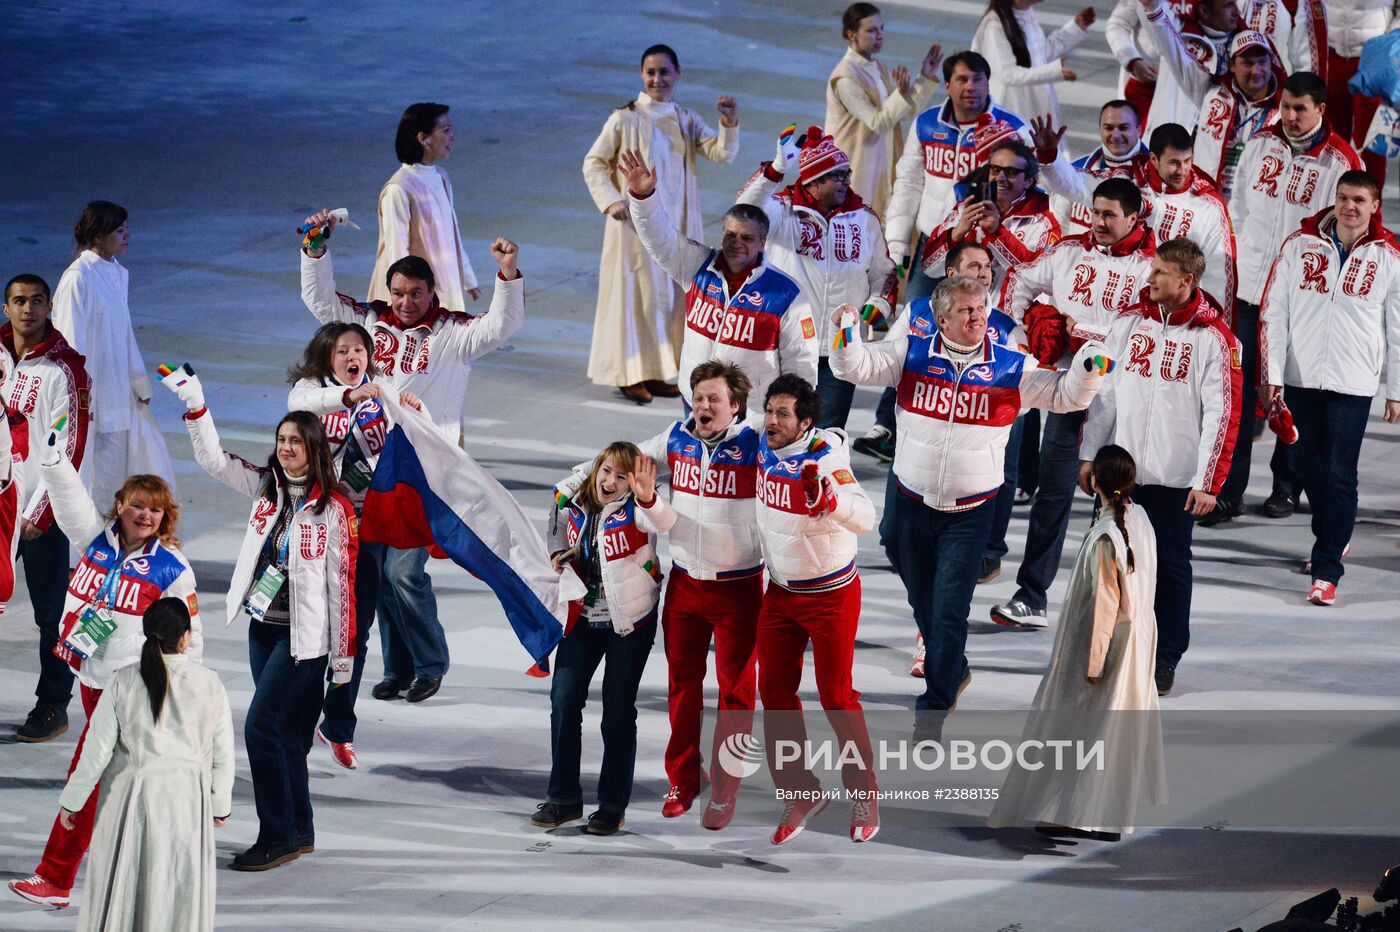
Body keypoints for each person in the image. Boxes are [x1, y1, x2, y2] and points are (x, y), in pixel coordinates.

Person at [830, 279, 1105, 723]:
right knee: (925, 602)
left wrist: (1091, 366)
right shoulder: (910, 353)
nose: (979, 317)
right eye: (966, 311)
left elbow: (1065, 395)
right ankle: (952, 668)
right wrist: (844, 327)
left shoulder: (1011, 367)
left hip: (971, 512)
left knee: (950, 609)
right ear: (941, 321)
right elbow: (852, 367)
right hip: (912, 502)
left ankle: (934, 707)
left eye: (981, 307)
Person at [302, 211, 525, 703]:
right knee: (379, 574)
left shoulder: (452, 334)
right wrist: (315, 251)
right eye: (398, 292)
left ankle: (430, 664)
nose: (405, 302)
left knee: (405, 571)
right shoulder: (366, 323)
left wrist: (506, 276)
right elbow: (320, 300)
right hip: (369, 470)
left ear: (433, 294)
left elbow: (501, 326)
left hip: (424, 471)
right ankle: (398, 669)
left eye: (416, 294)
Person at [169, 372, 357, 872]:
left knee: (260, 727)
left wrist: (343, 665)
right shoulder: (266, 488)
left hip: (304, 642)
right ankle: (299, 829)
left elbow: (343, 589)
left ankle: (275, 835)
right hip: (262, 626)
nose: (287, 448)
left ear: (315, 449)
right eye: (282, 440)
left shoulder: (333, 510)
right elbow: (213, 460)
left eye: (297, 441)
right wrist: (196, 404)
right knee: (291, 733)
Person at [9, 427, 199, 911]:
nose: (144, 514)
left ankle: (56, 879)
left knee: (87, 778)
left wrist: (178, 697)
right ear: (120, 506)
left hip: (132, 689)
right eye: (137, 504)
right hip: (91, 680)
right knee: (120, 785)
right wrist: (52, 461)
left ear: (164, 518)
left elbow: (188, 639)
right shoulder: (96, 540)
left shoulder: (172, 569)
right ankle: (152, 879)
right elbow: (68, 499)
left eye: (154, 510)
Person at [1079, 238, 1242, 697]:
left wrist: (1207, 481)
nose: (1148, 280)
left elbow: (1222, 414)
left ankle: (1165, 655)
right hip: (1121, 474)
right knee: (1109, 565)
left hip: (1175, 478)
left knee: (1169, 569)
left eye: (1158, 273)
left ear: (1186, 281)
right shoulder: (1128, 324)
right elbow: (1103, 392)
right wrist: (1091, 454)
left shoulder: (1215, 341)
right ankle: (1106, 650)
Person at [990, 178, 1156, 629]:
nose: (1099, 222)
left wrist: (1078, 334)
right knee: (1054, 492)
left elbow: (1145, 331)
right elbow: (1020, 280)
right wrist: (1024, 332)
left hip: (1123, 403)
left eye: (1110, 215)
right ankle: (1033, 596)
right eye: (1095, 212)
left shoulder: (1149, 269)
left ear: (1134, 218)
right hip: (1068, 395)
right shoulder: (1068, 251)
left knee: (1118, 503)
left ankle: (1113, 603)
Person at [988, 444, 1165, 841]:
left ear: (1094, 482)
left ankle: (1065, 812)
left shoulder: (1106, 536)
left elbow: (1103, 607)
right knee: (1112, 734)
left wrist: (1093, 663)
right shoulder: (1140, 519)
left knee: (1075, 728)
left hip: (1104, 648)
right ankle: (1105, 820)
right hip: (1137, 644)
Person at [1219, 72, 1362, 523]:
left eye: (1302, 108)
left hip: (1300, 299)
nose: (1292, 117)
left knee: (1290, 395)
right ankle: (1228, 491)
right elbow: (1238, 207)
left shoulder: (1339, 160)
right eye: (1286, 107)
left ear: (1321, 110)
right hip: (1248, 291)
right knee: (1238, 393)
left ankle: (1286, 485)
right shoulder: (1260, 142)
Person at [287, 323, 424, 770]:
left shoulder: (382, 392)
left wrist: (414, 413)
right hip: (315, 531)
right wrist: (349, 398)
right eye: (343, 350)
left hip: (365, 531)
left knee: (354, 632)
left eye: (360, 350)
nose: (353, 357)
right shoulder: (310, 391)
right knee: (310, 631)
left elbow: (413, 445)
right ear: (327, 357)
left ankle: (339, 724)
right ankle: (299, 719)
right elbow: (302, 405)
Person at [1260, 171, 1400, 606]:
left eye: (1359, 199)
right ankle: (1334, 536)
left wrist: (1396, 389)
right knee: (1303, 467)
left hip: (1353, 383)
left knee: (1339, 473)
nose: (1349, 207)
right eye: (1343, 198)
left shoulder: (1390, 257)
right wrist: (1272, 376)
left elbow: (1397, 328)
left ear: (1375, 205)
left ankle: (1326, 570)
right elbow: (1273, 313)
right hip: (1300, 378)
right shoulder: (1298, 246)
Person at [52, 598, 233, 931]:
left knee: (127, 887)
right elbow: (223, 755)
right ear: (185, 638)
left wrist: (72, 802)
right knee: (176, 892)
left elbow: (96, 750)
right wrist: (220, 805)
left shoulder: (122, 681)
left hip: (128, 803)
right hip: (186, 804)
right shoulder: (211, 683)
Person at [752, 374, 879, 845]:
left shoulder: (826, 458)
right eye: (769, 411)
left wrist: (831, 503)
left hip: (831, 597)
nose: (771, 421)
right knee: (776, 698)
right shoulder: (762, 442)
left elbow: (866, 516)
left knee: (837, 698)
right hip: (780, 594)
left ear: (805, 423)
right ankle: (800, 791)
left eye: (783, 414)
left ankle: (864, 794)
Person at [583, 45, 740, 404]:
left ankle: (655, 370)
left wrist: (728, 124)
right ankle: (629, 373)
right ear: (642, 75)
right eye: (651, 72)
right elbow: (594, 163)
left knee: (667, 298)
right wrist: (611, 200)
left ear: (678, 73)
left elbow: (721, 153)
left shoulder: (685, 118)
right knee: (634, 296)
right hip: (633, 227)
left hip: (677, 223)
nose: (658, 79)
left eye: (664, 72)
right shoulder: (624, 118)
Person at [532, 442, 663, 837]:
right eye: (606, 471)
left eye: (621, 476)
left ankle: (611, 806)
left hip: (630, 624)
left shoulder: (640, 509)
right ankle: (564, 798)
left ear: (633, 482)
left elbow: (663, 521)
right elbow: (554, 519)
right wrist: (558, 552)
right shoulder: (575, 500)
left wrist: (648, 496)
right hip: (583, 620)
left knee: (617, 713)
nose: (611, 481)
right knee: (563, 702)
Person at [621, 148, 818, 408]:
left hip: (748, 416)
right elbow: (661, 239)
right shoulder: (697, 266)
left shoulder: (787, 294)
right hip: (696, 404)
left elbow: (801, 361)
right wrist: (644, 198)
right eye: (730, 235)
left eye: (747, 238)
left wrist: (790, 413)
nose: (736, 243)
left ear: (762, 242)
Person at [736, 126, 897, 429]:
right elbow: (744, 210)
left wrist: (880, 304)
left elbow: (884, 273)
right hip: (785, 343)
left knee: (827, 433)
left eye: (847, 174)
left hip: (841, 346)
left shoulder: (864, 218)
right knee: (774, 428)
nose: (846, 181)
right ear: (813, 181)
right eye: (837, 175)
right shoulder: (781, 211)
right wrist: (777, 167)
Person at [3, 273, 92, 744]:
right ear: (6, 308)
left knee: (52, 614)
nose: (28, 310)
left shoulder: (65, 370)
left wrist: (40, 514)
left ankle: (53, 703)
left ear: (50, 305)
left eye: (37, 301)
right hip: (0, 507)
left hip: (39, 511)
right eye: (19, 301)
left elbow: (70, 446)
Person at [1033, 119, 1237, 315]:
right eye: (1174, 163)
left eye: (1187, 161)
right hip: (1113, 299)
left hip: (1167, 312)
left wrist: (1211, 325)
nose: (1182, 170)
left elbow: (1219, 276)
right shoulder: (1126, 181)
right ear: (1154, 159)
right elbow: (1075, 185)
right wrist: (1050, 156)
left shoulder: (1208, 206)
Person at [50, 201, 174, 509]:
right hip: (90, 395)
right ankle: (85, 552)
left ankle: (110, 542)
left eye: (126, 228)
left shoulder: (117, 273)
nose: (127, 235)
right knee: (91, 475)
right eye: (120, 230)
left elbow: (124, 333)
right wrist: (77, 395)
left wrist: (137, 382)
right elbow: (68, 340)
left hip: (117, 391)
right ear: (100, 235)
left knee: (117, 473)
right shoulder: (79, 277)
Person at [886, 51, 1033, 301]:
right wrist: (897, 239)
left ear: (988, 83)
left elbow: (1032, 186)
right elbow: (908, 183)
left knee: (978, 321)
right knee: (916, 316)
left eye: (978, 79)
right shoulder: (926, 123)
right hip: (934, 238)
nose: (971, 87)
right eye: (962, 79)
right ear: (947, 85)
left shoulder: (1012, 128)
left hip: (985, 246)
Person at [1137, 4, 1284, 199]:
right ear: (1232, 65)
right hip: (1205, 204)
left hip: (1252, 211)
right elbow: (1173, 50)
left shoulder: (1285, 110)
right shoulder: (1211, 92)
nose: (1256, 71)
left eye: (1262, 62)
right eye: (1247, 63)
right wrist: (1152, 8)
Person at [825, 3, 943, 219]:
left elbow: (901, 114)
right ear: (851, 34)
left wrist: (923, 78)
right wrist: (900, 94)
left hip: (883, 162)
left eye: (881, 29)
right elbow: (879, 123)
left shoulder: (877, 66)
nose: (879, 36)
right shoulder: (845, 78)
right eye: (871, 30)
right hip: (857, 167)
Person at [370, 103, 480, 314]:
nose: (453, 137)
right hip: (415, 297)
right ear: (423, 138)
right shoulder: (399, 189)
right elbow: (397, 252)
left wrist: (467, 278)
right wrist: (403, 302)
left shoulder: (441, 177)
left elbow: (452, 235)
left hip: (443, 281)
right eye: (446, 130)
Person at [920, 138, 1062, 288]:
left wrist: (997, 233)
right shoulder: (966, 209)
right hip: (966, 307)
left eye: (1011, 172)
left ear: (1028, 180)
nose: (1000, 178)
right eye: (994, 169)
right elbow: (929, 269)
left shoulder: (1045, 220)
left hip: (1013, 311)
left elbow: (1039, 279)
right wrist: (956, 234)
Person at [972, 0, 1096, 130]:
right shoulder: (994, 25)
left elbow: (1038, 55)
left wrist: (1075, 28)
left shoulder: (1025, 14)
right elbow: (1008, 74)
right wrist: (1054, 72)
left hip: (1032, 106)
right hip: (1011, 112)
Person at [1038, 99, 1151, 237]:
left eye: (1123, 127)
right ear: (1100, 129)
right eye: (1108, 128)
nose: (1115, 135)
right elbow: (1060, 227)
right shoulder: (1075, 170)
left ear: (1139, 130)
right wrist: (1047, 155)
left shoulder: (1158, 176)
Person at [1134, 0, 1249, 132]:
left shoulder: (1247, 46)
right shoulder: (1178, 33)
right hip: (1168, 138)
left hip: (1215, 142)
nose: (1236, 12)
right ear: (1204, 11)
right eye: (1228, 6)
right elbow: (1152, 11)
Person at [1326, 0, 1394, 181]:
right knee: (1331, 136)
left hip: (1374, 57)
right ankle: (1331, 200)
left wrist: (1392, 42)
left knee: (1373, 139)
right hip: (1331, 55)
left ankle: (1372, 206)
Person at [1105, 0, 1196, 123]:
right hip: (1146, 86)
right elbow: (1117, 25)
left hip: (1190, 87)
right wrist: (1132, 60)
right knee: (1140, 137)